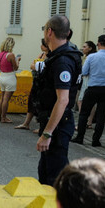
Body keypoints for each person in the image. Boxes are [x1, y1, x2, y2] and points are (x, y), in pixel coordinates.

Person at [35, 15, 81, 185]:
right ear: (68, 33)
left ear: (49, 32)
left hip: (58, 126)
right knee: (47, 174)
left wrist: (48, 133)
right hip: (56, 123)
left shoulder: (62, 61)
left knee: (56, 178)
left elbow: (62, 100)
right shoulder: (59, 56)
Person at [71, 35, 105, 147]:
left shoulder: (91, 57)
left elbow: (84, 72)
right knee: (101, 116)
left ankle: (80, 137)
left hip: (92, 87)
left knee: (84, 113)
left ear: (98, 44)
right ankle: (96, 140)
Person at [15, 39, 49, 133]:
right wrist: (37, 66)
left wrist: (37, 66)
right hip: (36, 81)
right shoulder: (41, 55)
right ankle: (26, 123)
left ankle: (43, 127)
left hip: (43, 83)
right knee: (31, 101)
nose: (40, 46)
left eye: (42, 45)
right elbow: (32, 65)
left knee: (42, 105)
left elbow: (41, 67)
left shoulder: (49, 56)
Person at [0, 37, 20, 123]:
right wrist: (18, 61)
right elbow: (16, 67)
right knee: (6, 99)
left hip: (2, 77)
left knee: (2, 98)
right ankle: (4, 118)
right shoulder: (11, 55)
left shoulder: (0, 54)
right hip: (10, 77)